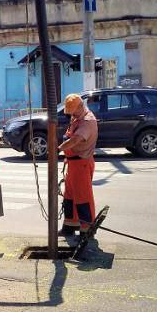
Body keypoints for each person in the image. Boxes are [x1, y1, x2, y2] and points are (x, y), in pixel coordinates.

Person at [58, 93, 98, 237]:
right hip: (73, 163)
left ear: (81, 106)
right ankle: (69, 225)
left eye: (73, 112)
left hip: (81, 163)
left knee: (83, 197)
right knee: (69, 196)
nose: (71, 115)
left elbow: (74, 141)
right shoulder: (77, 117)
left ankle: (87, 230)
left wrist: (58, 149)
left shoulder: (87, 121)